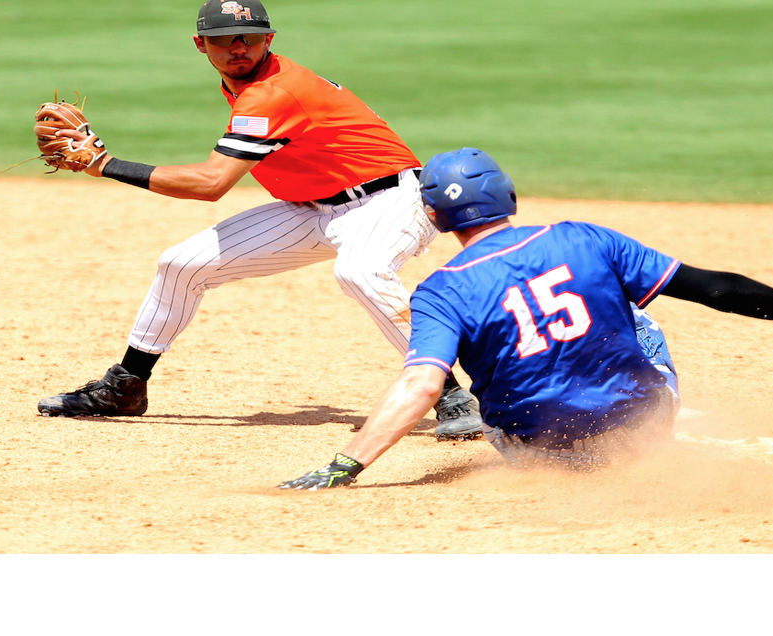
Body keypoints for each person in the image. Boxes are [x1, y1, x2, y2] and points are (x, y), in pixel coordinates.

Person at [278, 148, 773, 489]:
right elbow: (715, 289)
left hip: (534, 452)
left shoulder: (437, 291)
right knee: (635, 307)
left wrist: (346, 464)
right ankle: (658, 438)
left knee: (488, 357)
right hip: (640, 422)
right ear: (510, 198)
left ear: (438, 219)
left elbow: (421, 387)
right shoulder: (581, 236)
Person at [33, 1, 483, 440]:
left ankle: (450, 396)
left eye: (249, 39)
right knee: (181, 264)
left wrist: (105, 164)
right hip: (313, 208)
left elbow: (212, 182)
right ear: (200, 45)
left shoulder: (273, 92)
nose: (238, 48)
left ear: (268, 39)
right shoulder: (246, 84)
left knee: (359, 270)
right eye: (224, 40)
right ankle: (126, 387)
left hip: (391, 199)